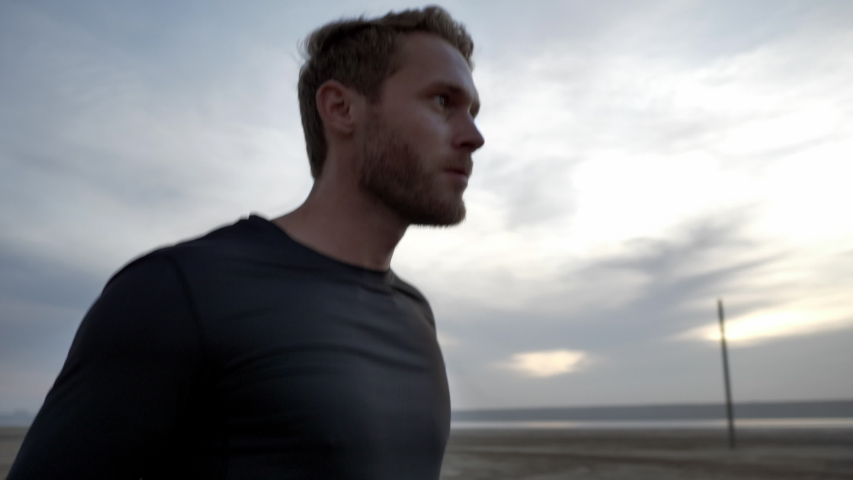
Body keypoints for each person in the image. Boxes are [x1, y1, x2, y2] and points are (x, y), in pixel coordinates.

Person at [8, 5, 484, 480]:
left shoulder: (414, 313)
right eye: (443, 101)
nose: (475, 136)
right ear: (341, 109)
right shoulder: (178, 291)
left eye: (473, 112)